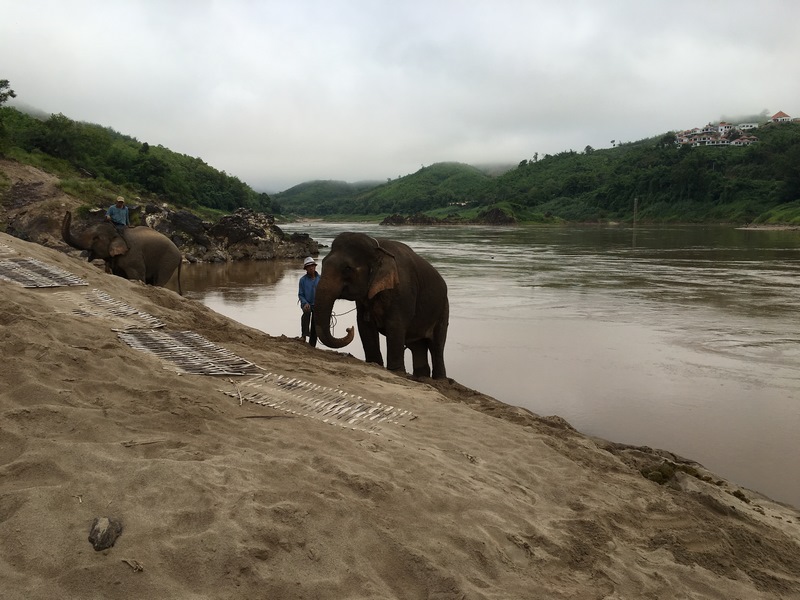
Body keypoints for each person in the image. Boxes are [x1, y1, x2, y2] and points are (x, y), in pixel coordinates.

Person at [298, 256, 320, 346]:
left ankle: (312, 343)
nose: (311, 268)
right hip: (306, 303)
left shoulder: (321, 279)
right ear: (306, 269)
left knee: (315, 321)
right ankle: (304, 335)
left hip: (317, 305)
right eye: (309, 266)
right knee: (306, 312)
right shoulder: (302, 280)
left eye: (312, 266)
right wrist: (305, 303)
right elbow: (301, 294)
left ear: (315, 266)